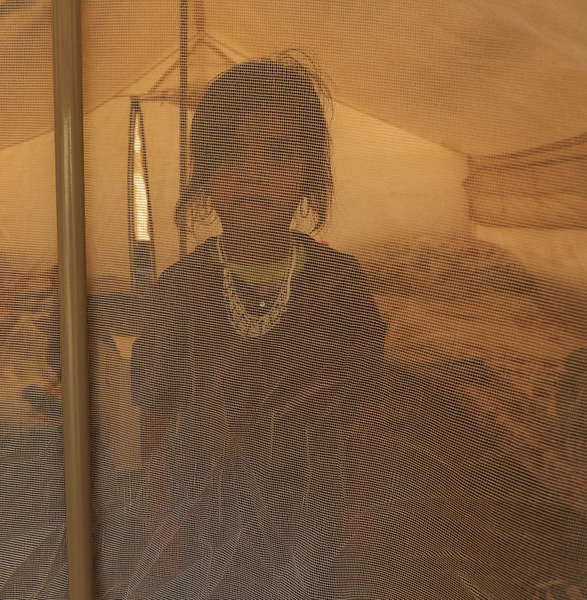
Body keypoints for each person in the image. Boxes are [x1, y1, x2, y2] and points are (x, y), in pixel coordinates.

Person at [128, 54, 387, 598]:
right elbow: (154, 421)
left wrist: (357, 516)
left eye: (277, 156)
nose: (253, 177)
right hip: (205, 510)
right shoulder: (178, 292)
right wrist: (164, 518)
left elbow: (361, 418)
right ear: (204, 168)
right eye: (232, 154)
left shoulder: (339, 284)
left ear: (308, 173)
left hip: (313, 508)